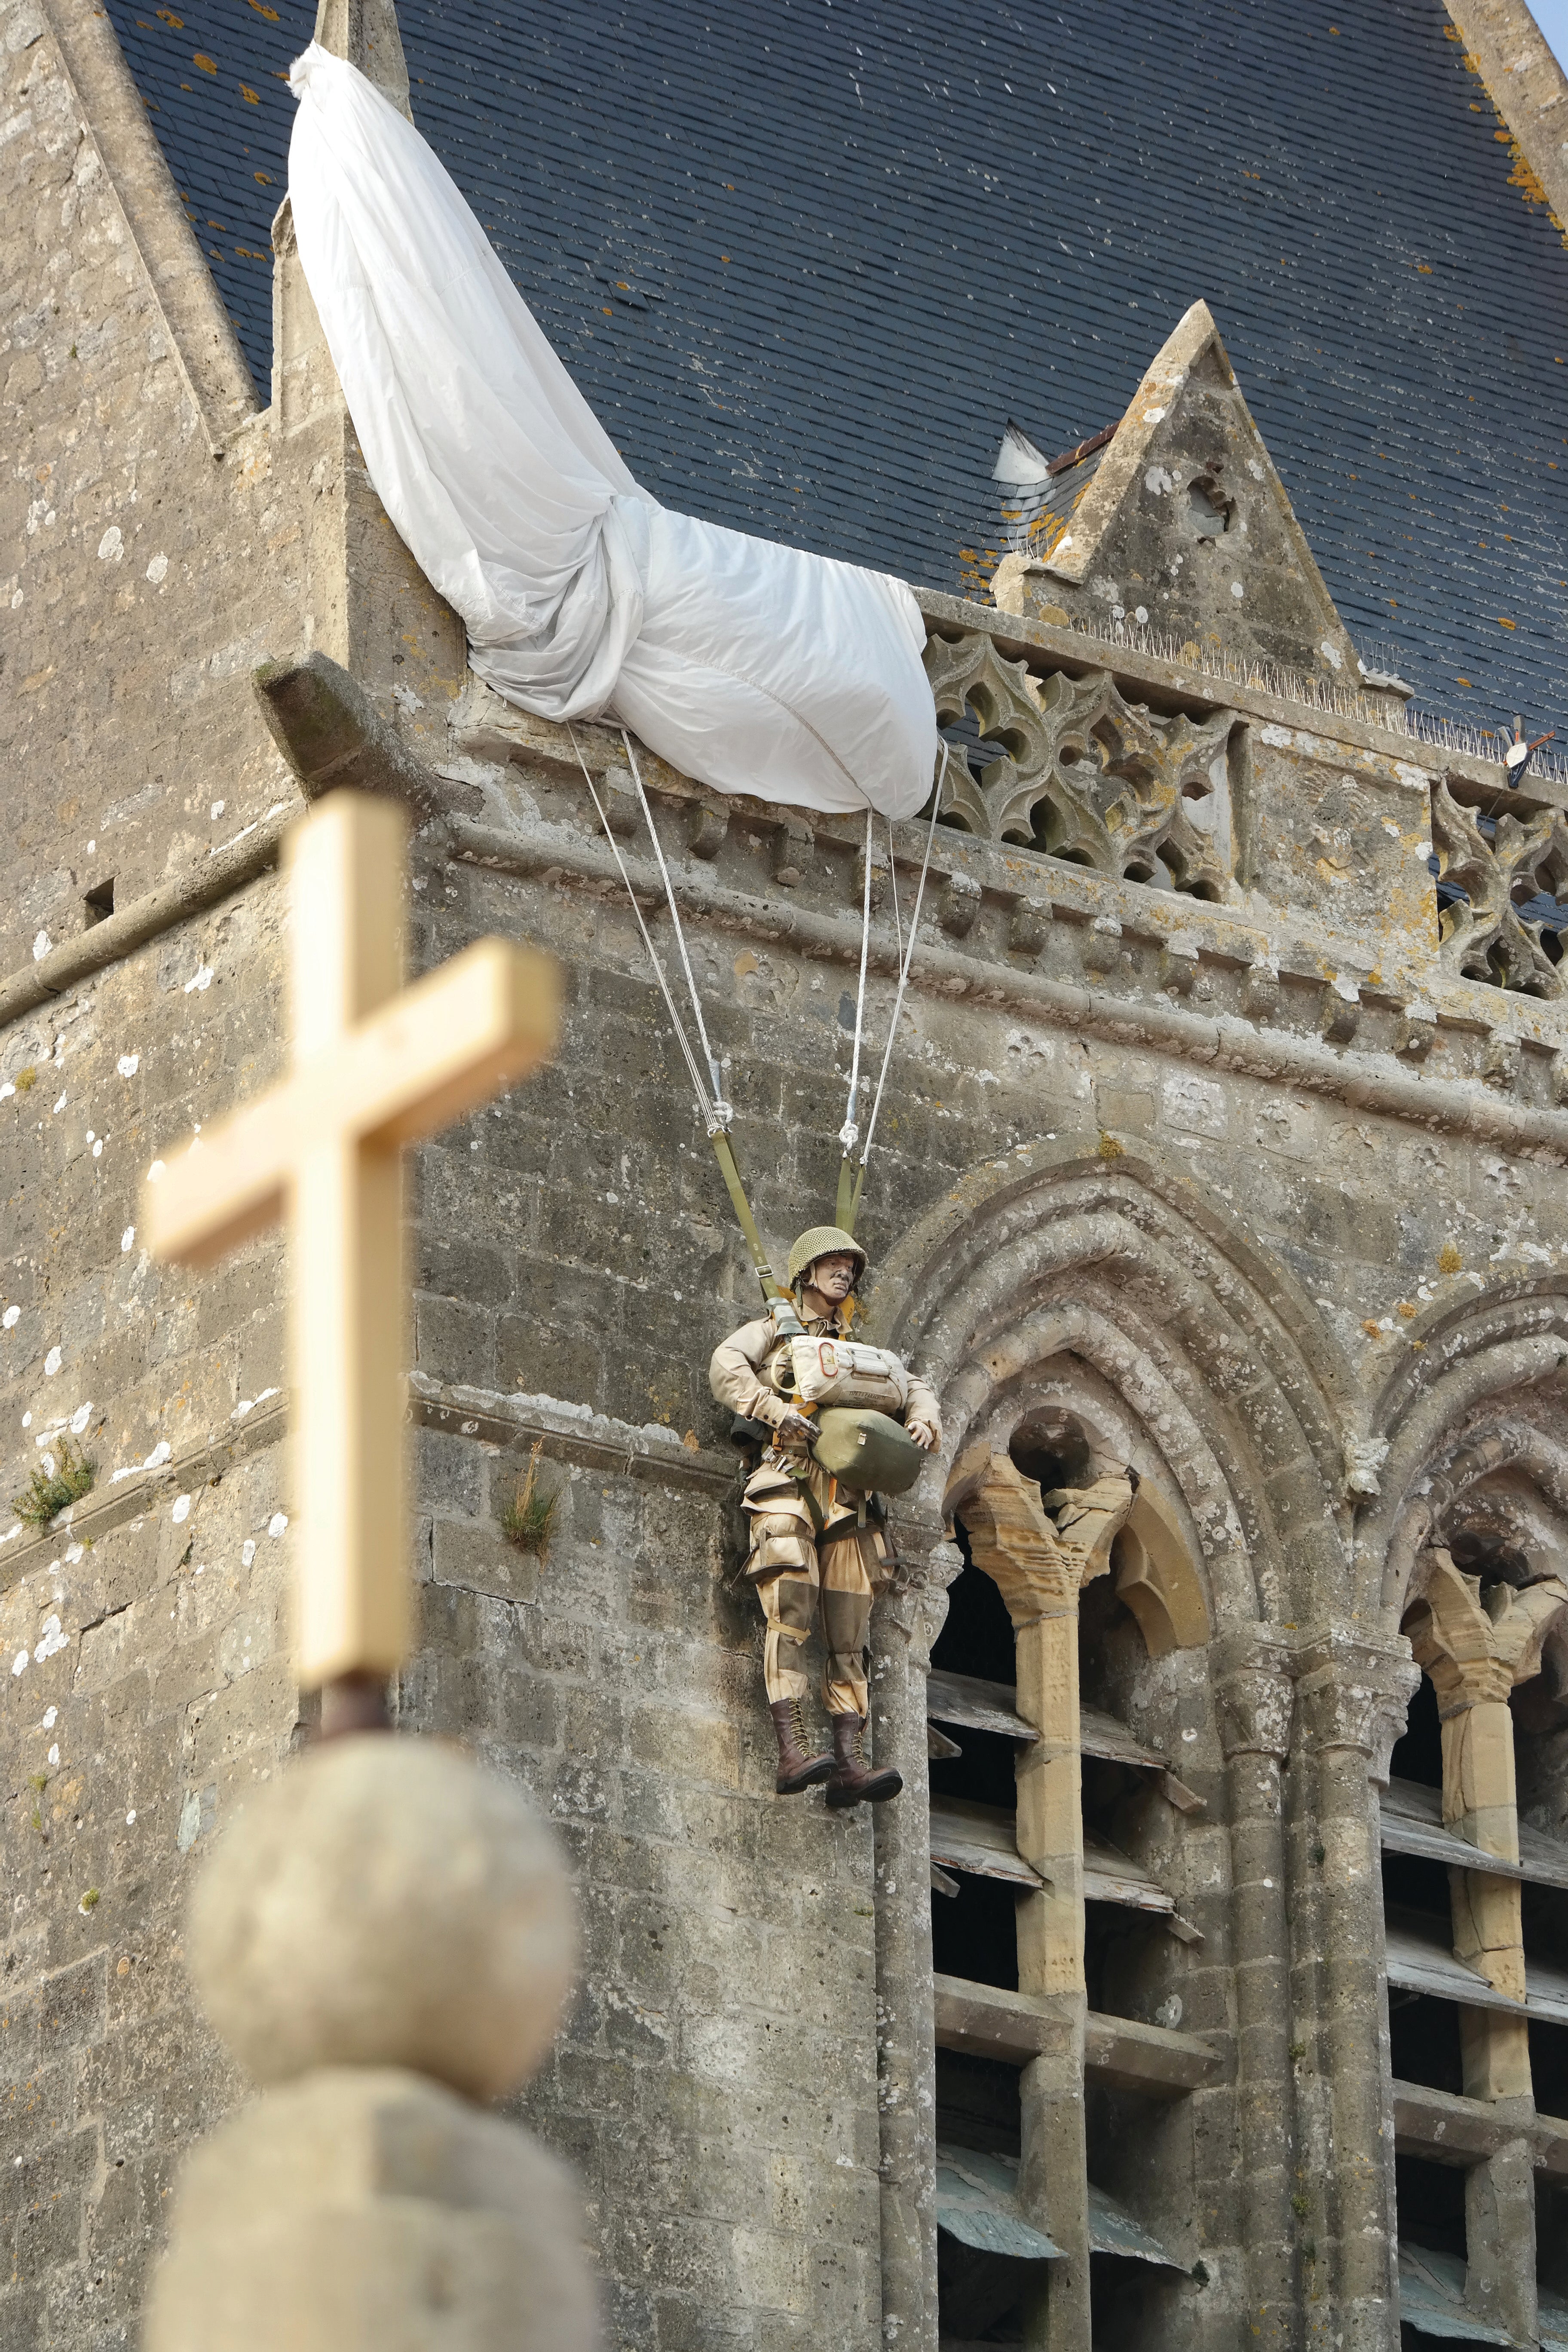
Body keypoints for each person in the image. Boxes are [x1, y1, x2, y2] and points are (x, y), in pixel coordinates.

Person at [709, 1226, 941, 1806]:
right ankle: (792, 1751)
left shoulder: (858, 1354)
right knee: (789, 1608)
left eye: (849, 1267)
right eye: (832, 1264)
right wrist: (771, 1408)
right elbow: (726, 1363)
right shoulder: (774, 1332)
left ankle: (849, 1762)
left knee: (850, 1625)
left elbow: (915, 1386)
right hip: (787, 1479)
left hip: (848, 1500)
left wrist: (923, 1417)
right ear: (807, 1272)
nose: (843, 1274)